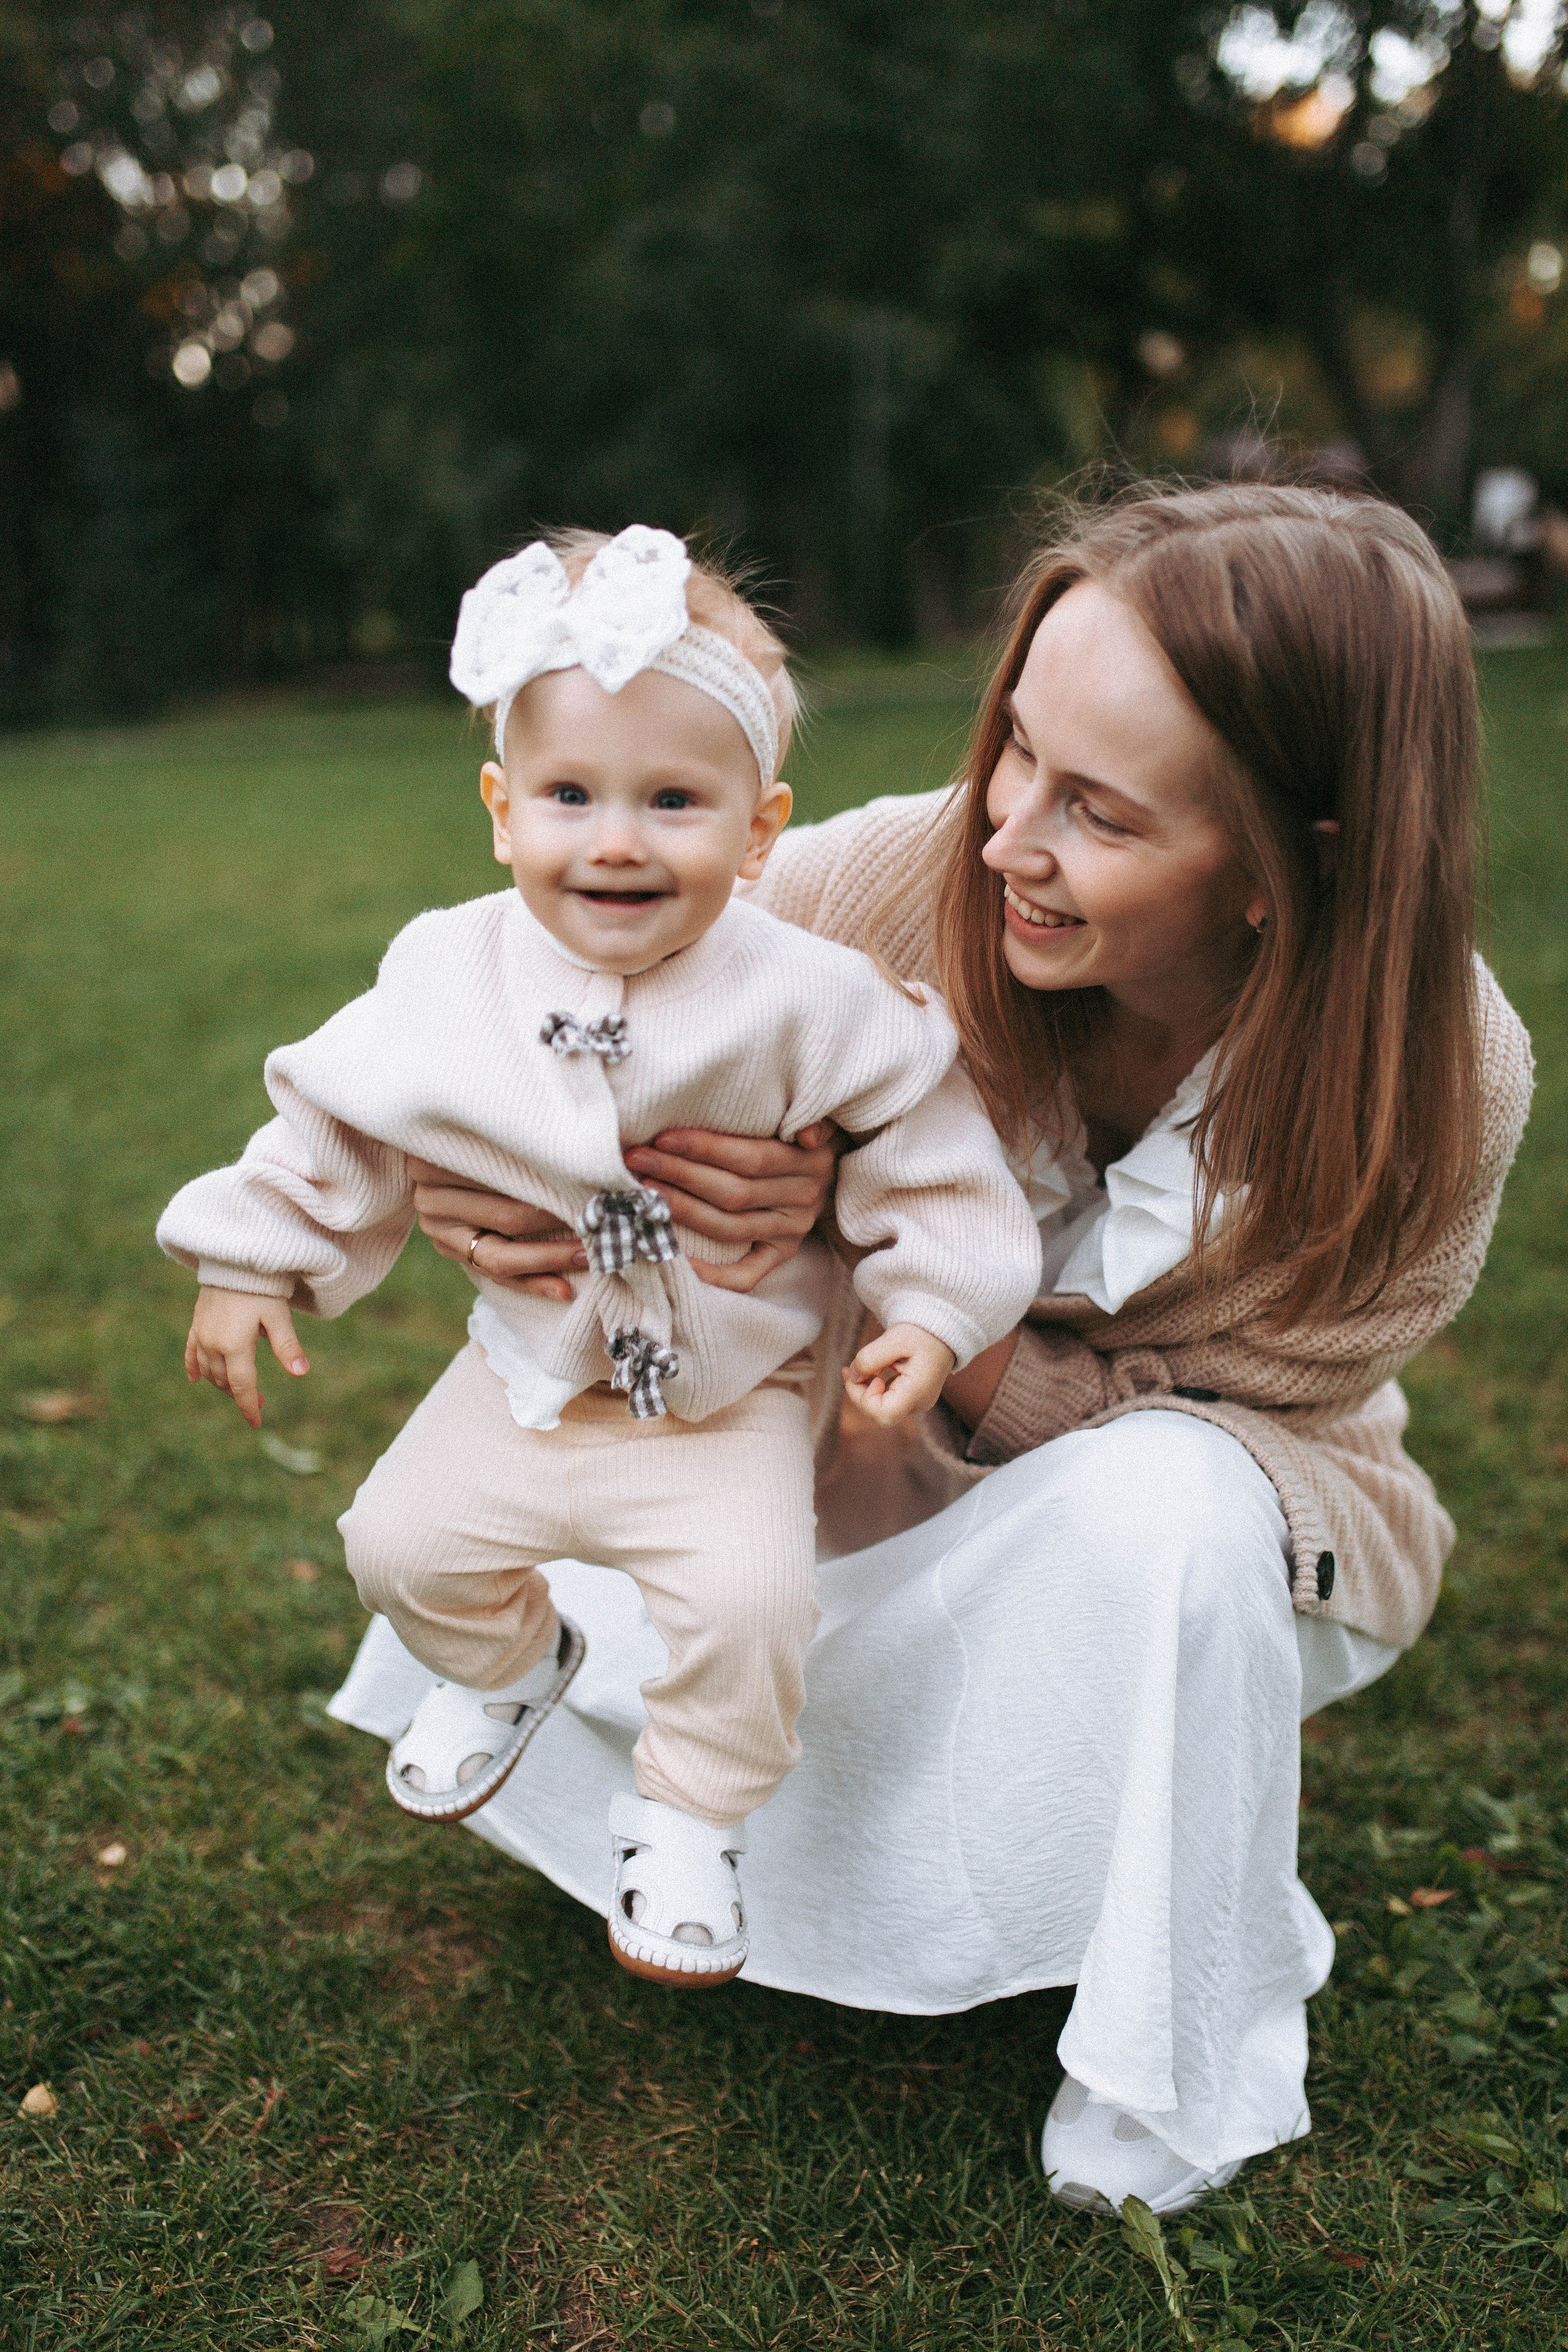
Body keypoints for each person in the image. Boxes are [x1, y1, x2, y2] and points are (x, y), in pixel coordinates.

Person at [334, 484, 1531, 2214]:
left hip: (1156, 1525)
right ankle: (755, 1818)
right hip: (837, 1480)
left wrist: (905, 1297)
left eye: (1100, 814)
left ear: (1302, 856)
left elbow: (1255, 1411)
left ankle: (1161, 2060)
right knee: (638, 1501)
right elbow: (539, 985)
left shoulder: (1438, 1080)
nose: (1006, 841)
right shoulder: (884, 878)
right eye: (1016, 753)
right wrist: (483, 1180)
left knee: (1176, 1506)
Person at [157, 525, 1042, 1992]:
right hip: (526, 1374)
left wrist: (934, 1312)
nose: (616, 839)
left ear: (759, 833)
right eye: (570, 795)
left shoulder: (811, 998)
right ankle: (514, 1669)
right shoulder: (450, 969)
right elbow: (336, 1112)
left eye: (673, 801)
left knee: (753, 1609)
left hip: (725, 1400)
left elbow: (927, 1153)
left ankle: (690, 1811)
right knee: (395, 1545)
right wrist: (252, 1259)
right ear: (504, 813)